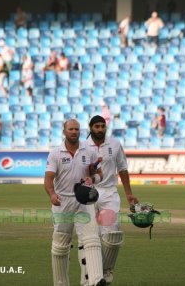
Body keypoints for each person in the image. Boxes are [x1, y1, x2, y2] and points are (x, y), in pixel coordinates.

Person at [44, 119, 107, 286]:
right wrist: (52, 194)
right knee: (61, 245)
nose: (74, 132)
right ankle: (60, 283)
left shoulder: (89, 151)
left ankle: (95, 281)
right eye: (71, 129)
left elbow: (101, 175)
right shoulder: (56, 153)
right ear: (64, 131)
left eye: (77, 129)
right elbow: (49, 179)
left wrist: (92, 177)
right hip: (62, 202)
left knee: (91, 238)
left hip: (83, 201)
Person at [85, 115, 138, 285]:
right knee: (93, 237)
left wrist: (129, 194)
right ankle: (97, 277)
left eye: (102, 126)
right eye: (97, 126)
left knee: (112, 234)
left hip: (109, 194)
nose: (100, 129)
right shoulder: (83, 146)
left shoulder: (114, 144)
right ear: (91, 127)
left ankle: (104, 273)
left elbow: (122, 169)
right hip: (89, 194)